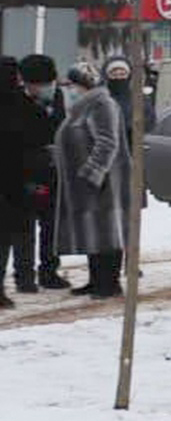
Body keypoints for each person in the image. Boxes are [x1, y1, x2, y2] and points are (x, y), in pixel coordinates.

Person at [52, 62, 128, 299]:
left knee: (107, 233)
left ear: (83, 84)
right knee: (92, 233)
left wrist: (92, 173)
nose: (70, 89)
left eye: (72, 84)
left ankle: (110, 284)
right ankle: (96, 280)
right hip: (88, 185)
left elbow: (107, 142)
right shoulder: (83, 106)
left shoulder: (101, 104)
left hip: (104, 183)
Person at [14, 55, 68, 291]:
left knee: (51, 224)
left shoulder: (59, 96)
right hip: (25, 172)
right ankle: (24, 276)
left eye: (45, 84)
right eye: (34, 84)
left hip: (54, 171)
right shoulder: (15, 100)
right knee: (24, 226)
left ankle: (49, 271)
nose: (40, 89)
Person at [0, 57, 35, 307]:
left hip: (13, 182)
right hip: (15, 184)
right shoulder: (21, 103)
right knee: (7, 238)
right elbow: (43, 132)